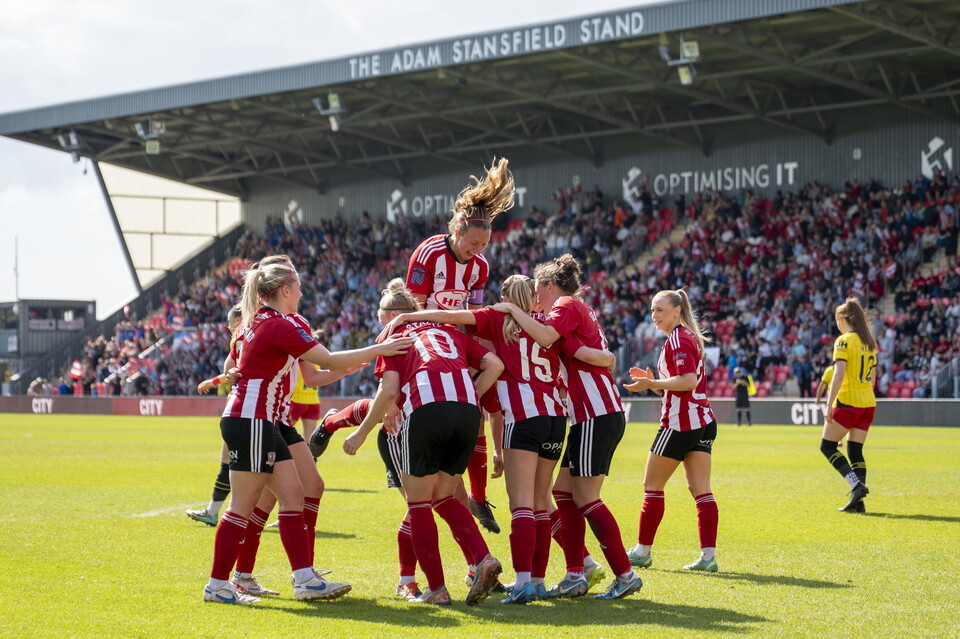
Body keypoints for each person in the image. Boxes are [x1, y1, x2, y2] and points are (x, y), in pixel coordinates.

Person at [379, 273, 616, 603]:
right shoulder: (547, 326)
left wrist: (409, 315)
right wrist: (610, 359)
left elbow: (451, 317)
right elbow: (587, 355)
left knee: (521, 506)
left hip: (523, 419)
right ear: (532, 297)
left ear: (505, 296)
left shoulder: (497, 318)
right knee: (540, 505)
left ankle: (523, 584)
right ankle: (540, 579)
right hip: (556, 418)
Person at [203, 259, 412, 605]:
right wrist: (378, 350)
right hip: (252, 419)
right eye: (297, 287)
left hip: (263, 421)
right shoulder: (278, 325)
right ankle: (219, 584)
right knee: (243, 505)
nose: (301, 292)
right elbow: (326, 360)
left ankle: (303, 579)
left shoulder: (265, 322)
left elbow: (302, 371)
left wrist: (360, 360)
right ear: (284, 290)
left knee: (295, 494)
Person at [342, 278, 505, 606]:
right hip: (467, 414)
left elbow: (388, 389)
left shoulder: (395, 335)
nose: (379, 322)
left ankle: (436, 590)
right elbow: (495, 365)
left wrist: (360, 434)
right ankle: (483, 559)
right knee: (444, 497)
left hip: (427, 412)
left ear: (391, 314)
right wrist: (468, 394)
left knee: (418, 504)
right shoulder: (449, 331)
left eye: (380, 315)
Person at [493, 254, 643, 600]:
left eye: (537, 290)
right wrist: (593, 355)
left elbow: (549, 337)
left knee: (587, 498)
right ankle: (576, 572)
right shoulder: (579, 311)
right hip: (586, 415)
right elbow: (598, 355)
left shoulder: (564, 304)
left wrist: (512, 311)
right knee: (562, 493)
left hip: (595, 412)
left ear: (548, 285)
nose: (536, 300)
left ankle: (625, 573)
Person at [404, 157, 515, 535]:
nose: (477, 250)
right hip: (429, 339)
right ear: (455, 231)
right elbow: (415, 304)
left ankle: (479, 498)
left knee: (482, 405)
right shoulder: (428, 253)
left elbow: (475, 311)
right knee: (460, 411)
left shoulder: (479, 267)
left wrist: (479, 349)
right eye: (473, 243)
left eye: (484, 244)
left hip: (460, 338)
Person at [622, 289, 720, 573]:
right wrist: (653, 382)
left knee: (651, 486)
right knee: (700, 489)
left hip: (681, 422)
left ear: (677, 310)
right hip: (701, 419)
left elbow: (687, 381)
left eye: (660, 310)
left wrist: (656, 385)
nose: (655, 316)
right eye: (653, 310)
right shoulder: (686, 337)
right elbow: (681, 383)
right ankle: (708, 557)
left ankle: (642, 552)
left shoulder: (678, 339)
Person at [819, 297, 877, 513]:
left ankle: (856, 485)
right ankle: (858, 503)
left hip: (848, 401)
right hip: (868, 402)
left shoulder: (844, 341)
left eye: (837, 320)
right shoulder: (869, 341)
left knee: (827, 446)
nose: (837, 324)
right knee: (855, 450)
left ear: (843, 318)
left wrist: (829, 404)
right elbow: (872, 376)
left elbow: (839, 373)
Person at [188, 304, 244, 527]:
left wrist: (212, 381)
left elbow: (236, 374)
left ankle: (220, 512)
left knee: (232, 463)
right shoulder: (252, 335)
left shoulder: (243, 337)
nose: (229, 329)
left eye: (230, 324)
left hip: (244, 406)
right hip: (254, 405)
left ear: (238, 321)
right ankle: (217, 511)